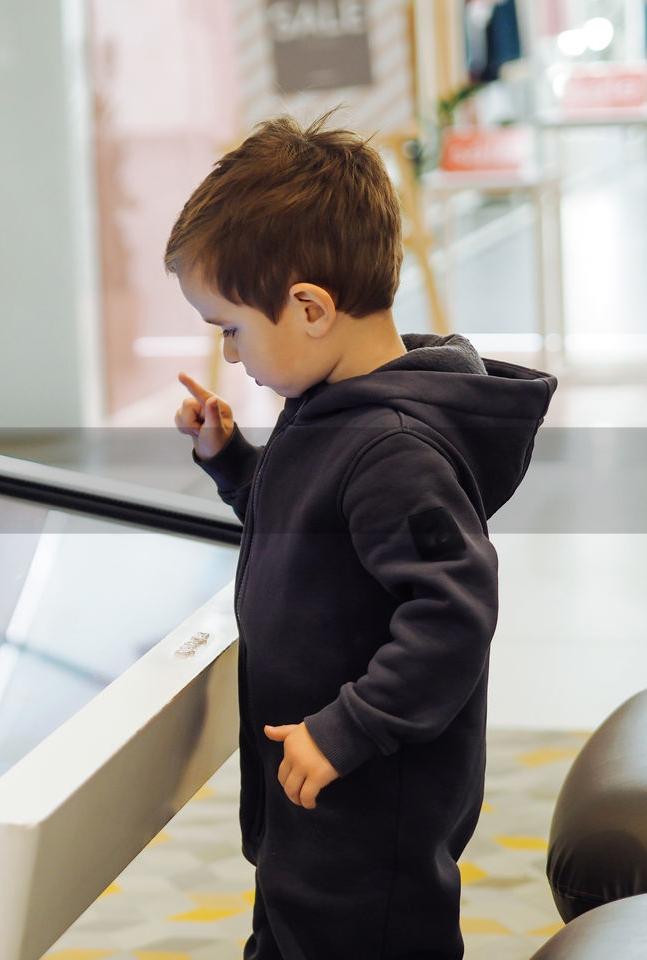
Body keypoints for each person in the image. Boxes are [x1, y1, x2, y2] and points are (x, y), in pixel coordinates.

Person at [168, 114, 556, 959]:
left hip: (367, 801)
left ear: (308, 308)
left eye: (231, 326)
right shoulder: (327, 412)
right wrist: (233, 461)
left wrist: (351, 727)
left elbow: (453, 614)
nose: (230, 355)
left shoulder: (392, 452)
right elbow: (311, 536)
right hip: (316, 796)